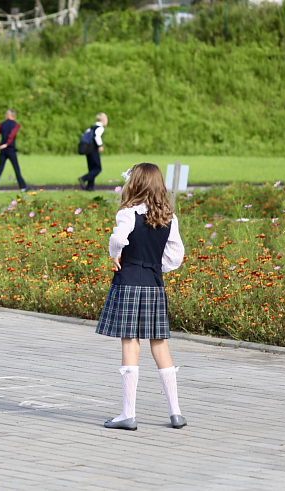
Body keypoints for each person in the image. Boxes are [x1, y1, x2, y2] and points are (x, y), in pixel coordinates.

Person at [96, 163, 187, 431]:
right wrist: (155, 267)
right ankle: (176, 413)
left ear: (135, 183)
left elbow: (119, 239)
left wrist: (114, 253)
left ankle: (128, 414)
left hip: (128, 281)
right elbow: (175, 256)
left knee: (130, 344)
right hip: (154, 284)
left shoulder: (127, 213)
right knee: (160, 345)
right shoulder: (169, 217)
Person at [0, 108, 28, 192]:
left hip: (3, 149)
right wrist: (7, 144)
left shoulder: (2, 124)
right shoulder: (16, 125)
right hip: (10, 149)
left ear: (7, 115)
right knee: (16, 168)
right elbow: (12, 135)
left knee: (0, 168)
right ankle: (23, 187)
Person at [78, 112, 108, 191]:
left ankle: (90, 187)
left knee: (92, 168)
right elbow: (97, 136)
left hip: (88, 150)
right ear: (104, 120)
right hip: (93, 149)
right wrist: (100, 145)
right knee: (98, 168)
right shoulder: (100, 128)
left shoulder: (91, 127)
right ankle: (83, 178)